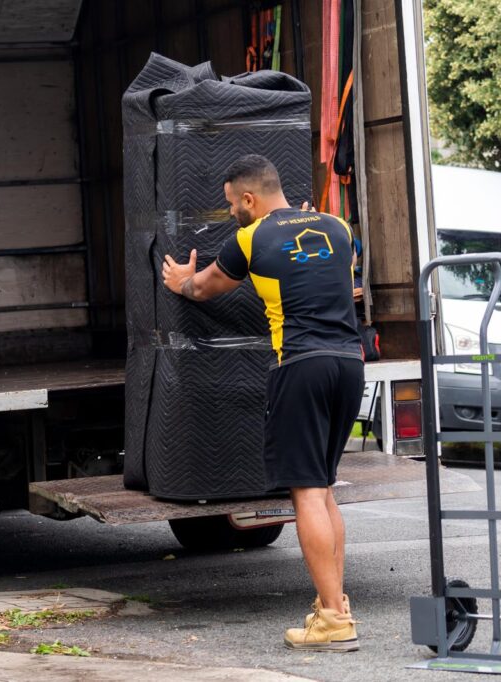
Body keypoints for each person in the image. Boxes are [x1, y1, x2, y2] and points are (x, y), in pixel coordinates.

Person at [161, 154, 364, 652]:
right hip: (349, 364)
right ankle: (334, 607)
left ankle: (334, 619)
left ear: (249, 198)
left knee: (308, 494)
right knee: (325, 488)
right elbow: (335, 275)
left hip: (300, 365)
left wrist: (179, 281)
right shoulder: (337, 227)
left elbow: (205, 287)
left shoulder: (252, 238)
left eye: (233, 204)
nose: (232, 212)